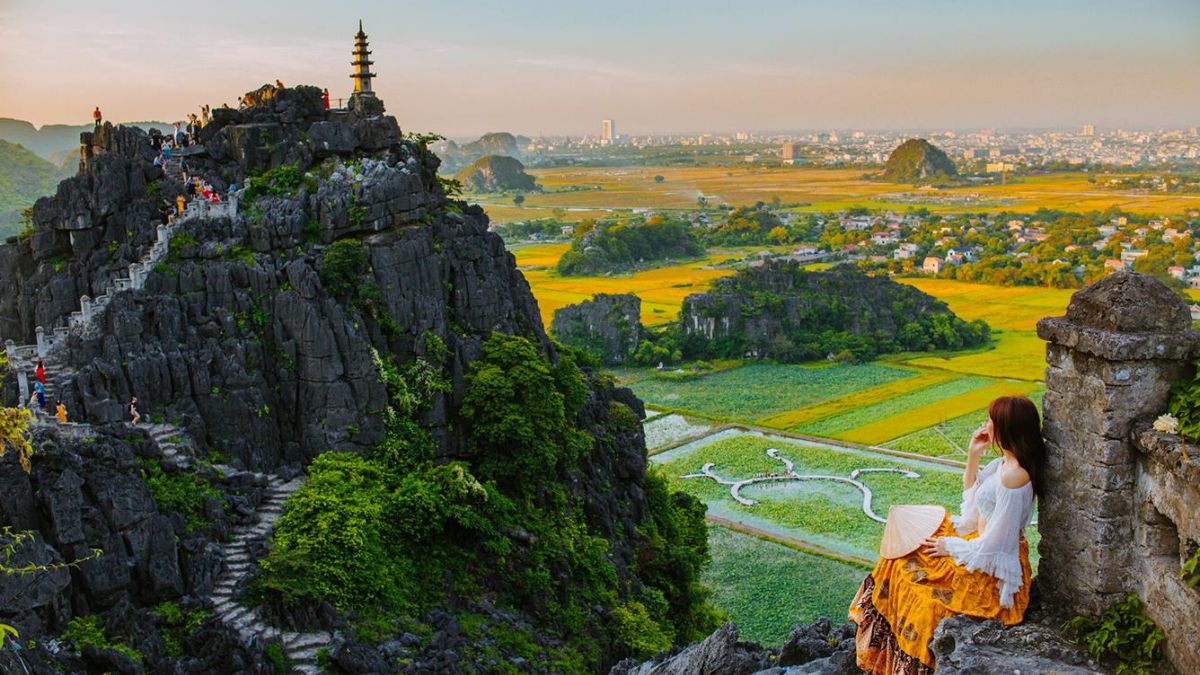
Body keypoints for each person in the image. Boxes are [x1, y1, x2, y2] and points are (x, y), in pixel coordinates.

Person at [849, 395, 1044, 675]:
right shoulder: (1002, 465)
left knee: (925, 600)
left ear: (1005, 427)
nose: (985, 424)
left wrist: (949, 546)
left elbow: (997, 546)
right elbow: (975, 506)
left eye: (990, 420)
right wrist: (973, 455)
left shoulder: (1014, 477)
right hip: (975, 545)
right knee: (901, 556)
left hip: (990, 568)